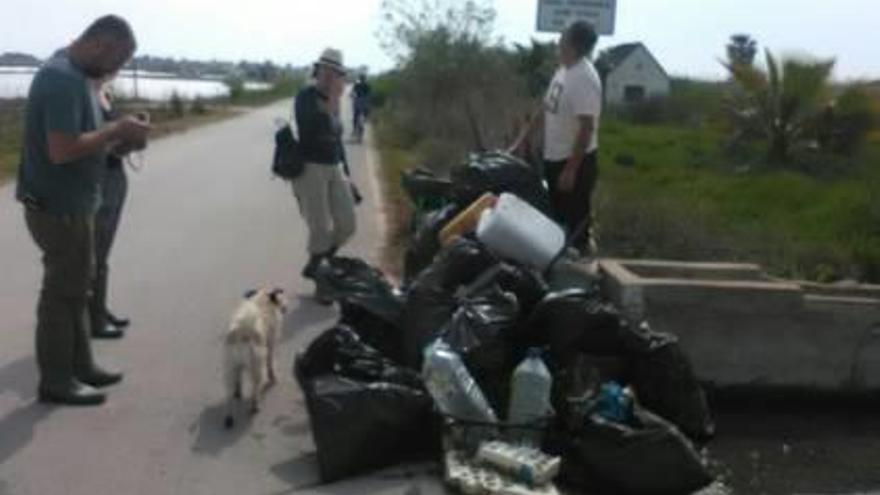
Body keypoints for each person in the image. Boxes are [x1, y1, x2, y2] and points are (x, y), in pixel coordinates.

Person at [16, 15, 150, 406]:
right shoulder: (64, 79)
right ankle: (57, 380)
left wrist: (123, 141)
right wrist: (115, 130)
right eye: (117, 61)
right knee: (62, 293)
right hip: (59, 207)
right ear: (99, 46)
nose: (116, 70)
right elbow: (61, 150)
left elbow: (85, 143)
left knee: (77, 287)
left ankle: (81, 366)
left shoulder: (77, 75)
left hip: (73, 202)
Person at [512, 21, 602, 255]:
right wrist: (523, 140)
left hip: (575, 163)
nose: (558, 41)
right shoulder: (563, 70)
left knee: (574, 228)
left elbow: (586, 129)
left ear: (573, 44)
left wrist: (571, 169)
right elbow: (546, 107)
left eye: (563, 37)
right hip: (553, 158)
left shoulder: (584, 78)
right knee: (554, 222)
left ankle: (579, 276)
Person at [293, 48, 357, 287]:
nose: (330, 76)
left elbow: (337, 140)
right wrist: (331, 103)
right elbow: (308, 132)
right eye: (326, 70)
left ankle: (316, 263)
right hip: (311, 168)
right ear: (317, 71)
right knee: (319, 228)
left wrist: (348, 175)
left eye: (335, 72)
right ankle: (323, 281)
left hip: (334, 167)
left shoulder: (336, 101)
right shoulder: (306, 97)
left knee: (347, 225)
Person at [89, 79, 135, 340]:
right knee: (93, 252)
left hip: (115, 174)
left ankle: (98, 309)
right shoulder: (83, 93)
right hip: (99, 178)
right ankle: (91, 318)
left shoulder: (103, 92)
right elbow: (86, 143)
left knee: (102, 251)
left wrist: (131, 140)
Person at [351, 74, 371, 138]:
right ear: (365, 79)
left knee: (355, 115)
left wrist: (352, 96)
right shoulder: (367, 85)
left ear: (360, 79)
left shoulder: (357, 85)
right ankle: (366, 118)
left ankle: (354, 129)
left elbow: (352, 93)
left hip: (358, 100)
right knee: (366, 111)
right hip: (364, 101)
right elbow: (370, 94)